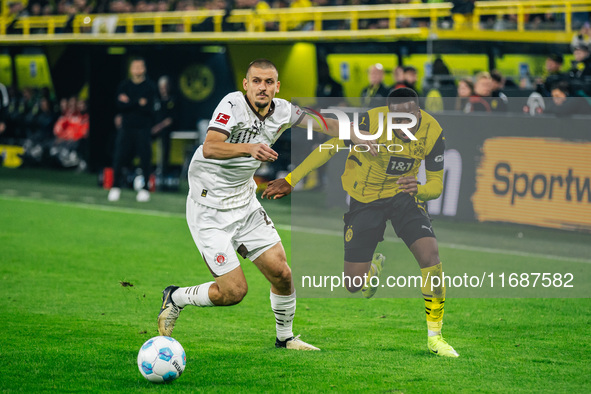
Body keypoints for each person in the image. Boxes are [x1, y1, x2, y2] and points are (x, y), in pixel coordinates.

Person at [156, 59, 369, 351]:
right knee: (233, 292)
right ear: (246, 84)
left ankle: (285, 338)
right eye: (256, 81)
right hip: (209, 210)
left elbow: (322, 123)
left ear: (277, 86)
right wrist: (249, 147)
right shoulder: (231, 105)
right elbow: (210, 146)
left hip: (245, 204)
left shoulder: (282, 110)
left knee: (282, 273)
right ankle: (176, 297)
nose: (262, 87)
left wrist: (358, 134)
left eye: (269, 82)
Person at [263, 88, 459, 358]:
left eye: (411, 115)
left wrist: (420, 189)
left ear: (419, 112)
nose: (405, 123)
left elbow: (436, 184)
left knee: (431, 256)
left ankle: (436, 337)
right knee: (354, 284)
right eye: (398, 118)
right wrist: (292, 179)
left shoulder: (433, 132)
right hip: (365, 199)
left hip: (405, 197)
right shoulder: (370, 123)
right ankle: (371, 269)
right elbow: (329, 146)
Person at [108, 57, 158, 203]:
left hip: (143, 127)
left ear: (144, 68)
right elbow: (120, 105)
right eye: (134, 66)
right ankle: (115, 187)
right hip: (126, 127)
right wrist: (138, 102)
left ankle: (145, 189)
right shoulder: (124, 85)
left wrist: (130, 102)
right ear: (130, 69)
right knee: (119, 157)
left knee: (145, 159)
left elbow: (148, 107)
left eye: (140, 66)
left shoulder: (150, 86)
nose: (137, 69)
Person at [152, 75, 178, 174]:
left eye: (165, 87)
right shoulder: (156, 100)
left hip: (165, 129)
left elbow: (171, 119)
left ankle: (164, 169)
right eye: (161, 87)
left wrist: (158, 127)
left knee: (164, 139)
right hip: (153, 128)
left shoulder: (172, 100)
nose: (163, 89)